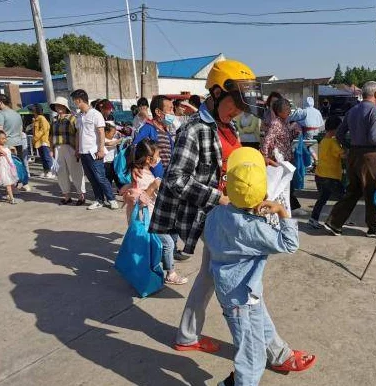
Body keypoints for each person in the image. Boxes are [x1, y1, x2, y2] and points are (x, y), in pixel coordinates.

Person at [150, 60, 308, 375]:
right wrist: (218, 197)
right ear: (217, 92)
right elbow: (176, 179)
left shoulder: (228, 125)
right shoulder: (194, 129)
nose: (238, 111)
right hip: (215, 215)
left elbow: (230, 160)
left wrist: (258, 161)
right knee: (246, 285)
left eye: (241, 106)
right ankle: (276, 352)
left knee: (211, 275)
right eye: (235, 103)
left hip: (225, 211)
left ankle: (187, 335)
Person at [205, 147, 316, 386]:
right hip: (243, 297)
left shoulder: (217, 213)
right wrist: (283, 213)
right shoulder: (255, 229)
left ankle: (279, 355)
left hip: (234, 289)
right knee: (251, 356)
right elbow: (289, 244)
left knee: (262, 323)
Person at [324, 81, 376, 238]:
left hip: (354, 155)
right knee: (375, 192)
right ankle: (375, 229)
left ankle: (334, 223)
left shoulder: (352, 111)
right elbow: (374, 137)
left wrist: (349, 147)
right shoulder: (375, 111)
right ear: (375, 94)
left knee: (353, 191)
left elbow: (339, 134)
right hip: (370, 157)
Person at [121, 139, 188, 284]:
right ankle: (170, 274)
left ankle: (156, 270)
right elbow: (138, 199)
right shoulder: (141, 175)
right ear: (148, 159)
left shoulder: (141, 171)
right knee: (168, 243)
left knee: (154, 246)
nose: (159, 158)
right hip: (148, 219)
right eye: (157, 155)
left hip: (148, 218)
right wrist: (153, 187)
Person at [70, 89, 119, 210]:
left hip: (94, 151)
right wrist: (77, 149)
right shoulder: (79, 116)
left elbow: (101, 132)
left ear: (79, 100)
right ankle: (99, 200)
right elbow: (78, 134)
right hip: (83, 152)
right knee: (91, 178)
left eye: (74, 101)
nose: (73, 103)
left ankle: (111, 199)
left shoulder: (95, 114)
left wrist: (101, 149)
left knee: (100, 177)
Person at [261, 98, 303, 214]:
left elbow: (286, 139)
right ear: (279, 112)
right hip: (278, 161)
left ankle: (284, 209)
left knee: (286, 186)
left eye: (289, 108)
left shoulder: (284, 123)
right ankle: (277, 209)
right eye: (286, 109)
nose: (289, 111)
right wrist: (265, 157)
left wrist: (295, 132)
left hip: (286, 159)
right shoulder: (276, 124)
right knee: (279, 187)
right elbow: (267, 141)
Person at [308, 116, 345, 229]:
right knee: (344, 199)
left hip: (320, 175)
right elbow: (342, 155)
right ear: (336, 129)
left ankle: (313, 219)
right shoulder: (333, 142)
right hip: (331, 177)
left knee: (323, 198)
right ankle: (335, 221)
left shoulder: (323, 140)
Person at [50, 97, 86, 206]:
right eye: (57, 106)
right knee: (61, 173)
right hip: (57, 148)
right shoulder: (54, 120)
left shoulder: (73, 118)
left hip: (71, 147)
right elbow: (51, 136)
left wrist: (78, 149)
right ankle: (66, 196)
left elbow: (78, 134)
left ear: (65, 107)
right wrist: (51, 150)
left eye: (61, 106)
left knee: (76, 171)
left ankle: (81, 196)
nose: (59, 108)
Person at [0, 94, 24, 160]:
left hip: (7, 145)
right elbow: (21, 130)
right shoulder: (17, 114)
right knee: (19, 165)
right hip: (19, 144)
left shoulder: (1, 114)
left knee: (9, 167)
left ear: (0, 102)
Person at [297, 96, 325, 167]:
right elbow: (321, 122)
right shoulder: (317, 111)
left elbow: (297, 119)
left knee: (306, 146)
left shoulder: (304, 111)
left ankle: (314, 160)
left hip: (308, 131)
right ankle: (313, 161)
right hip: (317, 131)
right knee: (309, 146)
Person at [30, 103, 54, 179]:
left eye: (33, 109)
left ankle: (51, 171)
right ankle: (46, 171)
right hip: (39, 142)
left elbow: (43, 130)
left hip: (43, 141)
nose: (32, 111)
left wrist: (35, 138)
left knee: (47, 157)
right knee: (43, 158)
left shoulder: (41, 118)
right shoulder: (36, 119)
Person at [0, 129, 18, 204]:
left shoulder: (6, 147)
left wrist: (13, 150)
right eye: (2, 138)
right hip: (2, 168)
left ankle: (9, 196)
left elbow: (11, 155)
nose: (5, 140)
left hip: (9, 167)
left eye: (5, 138)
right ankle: (11, 198)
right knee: (7, 184)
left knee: (10, 183)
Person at [104, 122, 123, 192]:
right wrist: (119, 140)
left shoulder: (114, 139)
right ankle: (108, 193)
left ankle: (121, 190)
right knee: (108, 179)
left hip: (114, 162)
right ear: (106, 132)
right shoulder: (103, 139)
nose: (114, 134)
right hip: (106, 163)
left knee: (117, 178)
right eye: (112, 133)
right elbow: (109, 144)